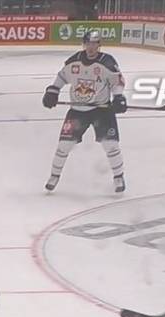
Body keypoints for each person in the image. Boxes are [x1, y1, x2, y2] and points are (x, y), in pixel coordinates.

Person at [42, 30, 127, 194]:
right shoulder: (74, 61)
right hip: (77, 111)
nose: (91, 47)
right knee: (64, 145)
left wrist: (118, 97)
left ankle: (118, 177)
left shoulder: (107, 62)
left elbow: (117, 81)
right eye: (88, 43)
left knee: (111, 145)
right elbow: (61, 77)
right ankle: (54, 176)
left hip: (101, 110)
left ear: (99, 45)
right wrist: (53, 90)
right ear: (84, 44)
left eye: (94, 43)